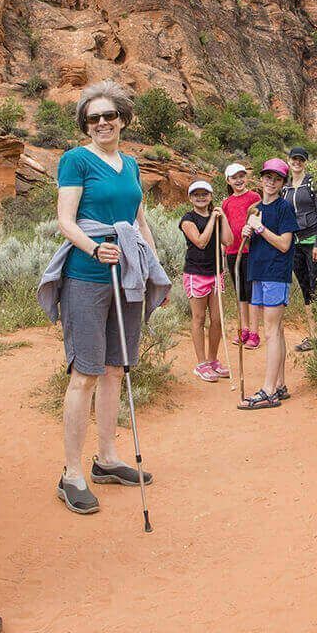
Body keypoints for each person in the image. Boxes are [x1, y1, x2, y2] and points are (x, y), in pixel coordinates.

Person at [43, 80, 165, 515]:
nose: (101, 123)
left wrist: (153, 270)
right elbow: (65, 219)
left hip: (127, 276)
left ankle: (107, 459)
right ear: (85, 124)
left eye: (108, 116)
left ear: (122, 119)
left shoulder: (130, 165)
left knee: (116, 368)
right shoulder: (75, 160)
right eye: (92, 117)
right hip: (88, 275)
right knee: (86, 372)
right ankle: (71, 473)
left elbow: (139, 220)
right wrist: (94, 247)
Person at [237, 159, 299, 410]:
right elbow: (255, 239)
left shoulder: (284, 209)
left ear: (283, 183)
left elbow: (285, 244)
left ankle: (269, 390)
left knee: (271, 331)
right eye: (267, 177)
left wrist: (260, 228)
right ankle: (280, 385)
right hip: (258, 271)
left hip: (276, 273)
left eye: (276, 178)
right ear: (261, 178)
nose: (270, 182)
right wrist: (247, 233)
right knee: (277, 330)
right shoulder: (255, 208)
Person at [282, 145, 317, 353]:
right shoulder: (285, 188)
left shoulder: (313, 183)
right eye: (294, 159)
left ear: (305, 162)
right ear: (288, 160)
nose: (297, 162)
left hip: (313, 243)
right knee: (306, 288)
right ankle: (314, 336)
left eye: (301, 160)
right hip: (294, 243)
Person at [179, 180, 227, 382]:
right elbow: (200, 241)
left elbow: (229, 241)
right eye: (196, 194)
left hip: (215, 273)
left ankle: (213, 360)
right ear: (190, 198)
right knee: (199, 318)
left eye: (204, 193)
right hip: (196, 273)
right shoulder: (187, 219)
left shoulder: (216, 217)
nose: (201, 197)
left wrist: (222, 218)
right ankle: (201, 364)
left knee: (217, 319)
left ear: (210, 195)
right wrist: (211, 221)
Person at [217, 163, 261, 351]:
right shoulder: (226, 203)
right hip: (232, 252)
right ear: (228, 180)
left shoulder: (254, 197)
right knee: (240, 293)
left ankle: (254, 332)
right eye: (235, 177)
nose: (239, 180)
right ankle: (243, 329)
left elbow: (260, 220)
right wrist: (221, 251)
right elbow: (222, 229)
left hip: (250, 251)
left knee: (251, 292)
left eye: (242, 176)